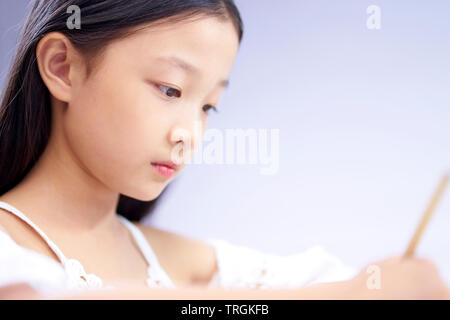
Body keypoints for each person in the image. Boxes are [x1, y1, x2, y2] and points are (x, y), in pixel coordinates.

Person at [0, 0, 448, 300]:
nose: (189, 133)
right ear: (62, 67)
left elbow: (315, 276)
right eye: (171, 90)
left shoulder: (187, 263)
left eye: (209, 105)